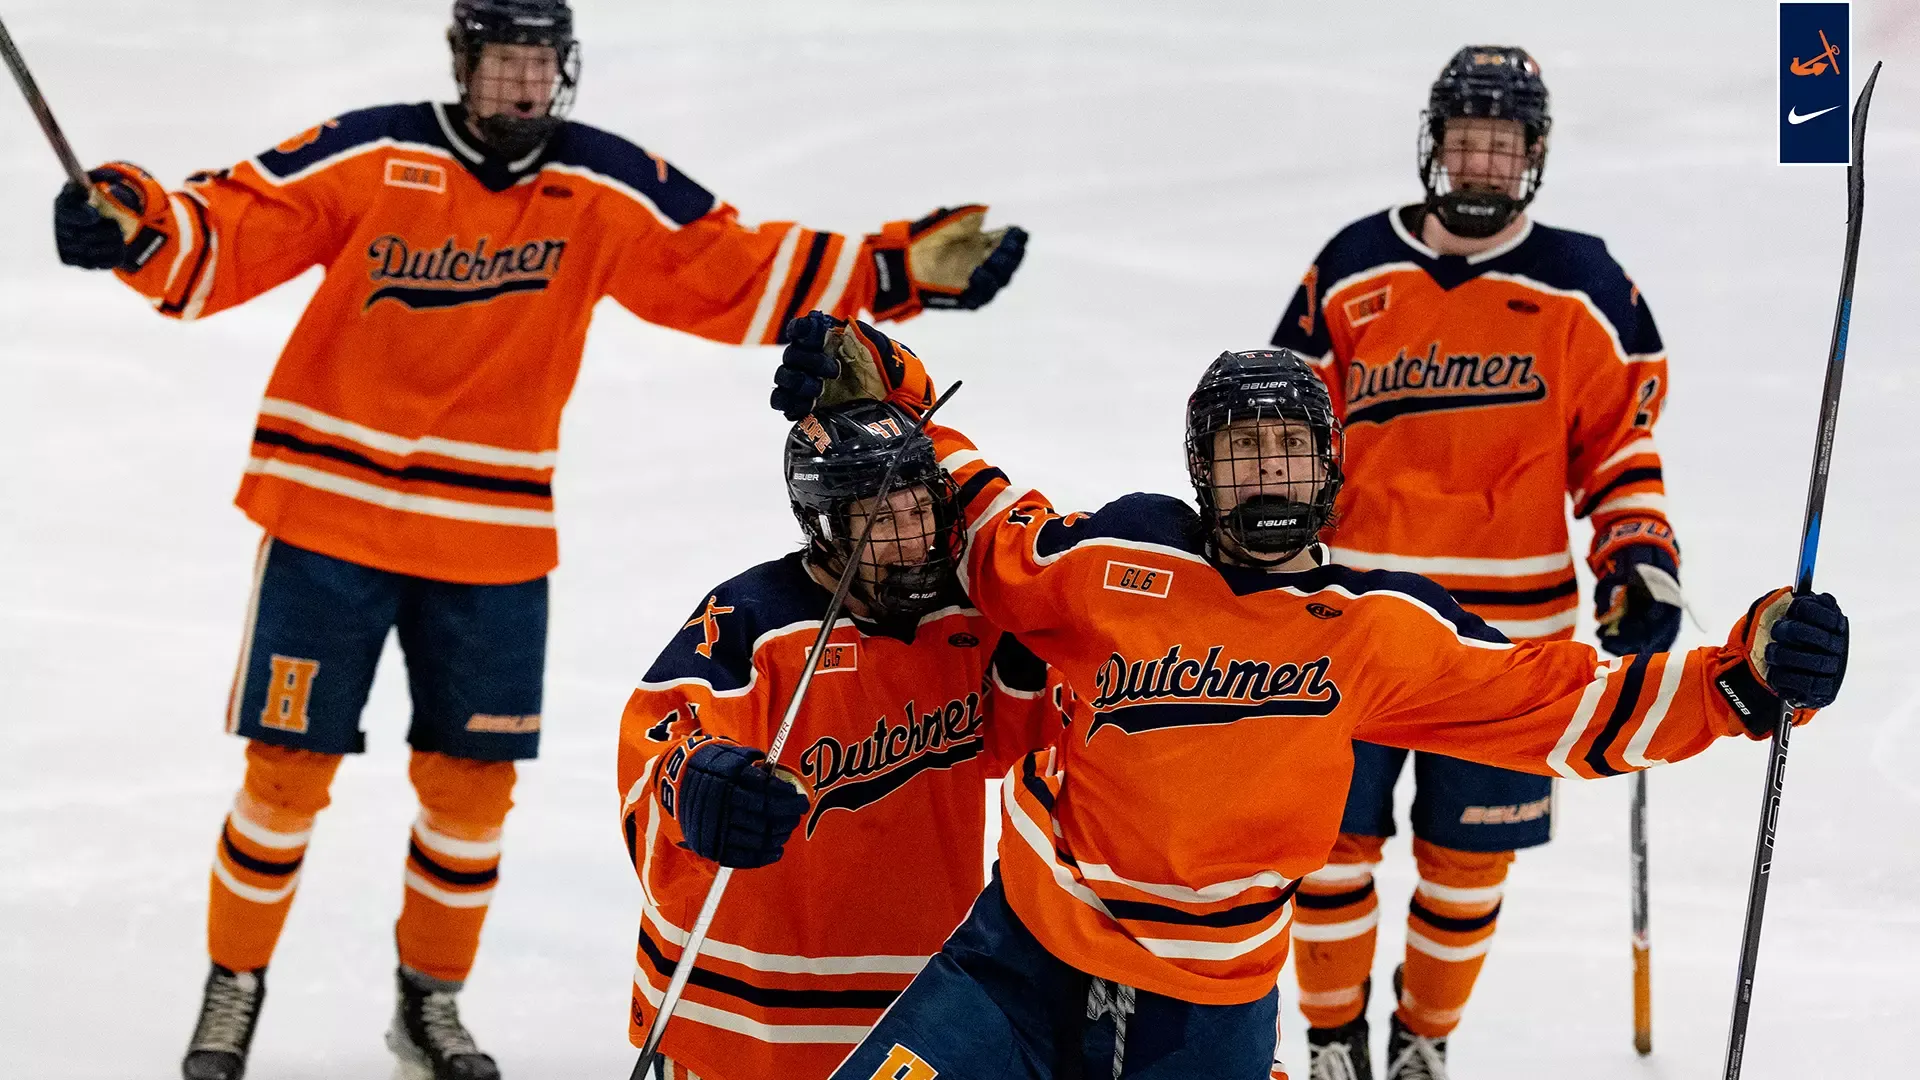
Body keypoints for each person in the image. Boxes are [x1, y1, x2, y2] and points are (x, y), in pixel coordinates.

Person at [47, 2, 1027, 1077]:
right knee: (285, 774)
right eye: (504, 63)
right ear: (463, 60)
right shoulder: (373, 153)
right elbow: (227, 224)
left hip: (493, 540)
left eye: (539, 65)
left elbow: (727, 262)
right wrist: (133, 221)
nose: (522, 86)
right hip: (327, 520)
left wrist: (892, 269)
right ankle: (232, 986)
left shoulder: (601, 182)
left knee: (472, 792)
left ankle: (428, 1006)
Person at [768, 323, 1848, 1080]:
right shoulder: (1110, 561)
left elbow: (1564, 705)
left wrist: (1742, 678)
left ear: (1329, 466)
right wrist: (894, 390)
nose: (1268, 475)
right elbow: (982, 514)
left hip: (1206, 1011)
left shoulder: (1375, 629)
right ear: (1202, 470)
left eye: (1288, 450)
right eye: (1242, 452)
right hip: (1020, 962)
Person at [1266, 45, 1678, 1078]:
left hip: (1506, 643)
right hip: (1351, 624)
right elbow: (1283, 432)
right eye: (1467, 140)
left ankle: (1424, 1044)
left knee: (1468, 861)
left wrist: (1637, 555)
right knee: (1328, 852)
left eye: (1502, 144)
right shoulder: (1353, 264)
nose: (1483, 162)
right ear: (1434, 146)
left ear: (1533, 154)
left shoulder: (1586, 284)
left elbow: (1619, 448)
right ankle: (1332, 1042)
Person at [618, 324, 1065, 1080]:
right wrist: (700, 782)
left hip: (915, 1010)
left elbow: (1015, 745)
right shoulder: (756, 620)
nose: (911, 539)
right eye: (882, 520)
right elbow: (654, 744)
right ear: (825, 526)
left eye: (921, 511)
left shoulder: (966, 618)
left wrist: (1033, 647)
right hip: (739, 1012)